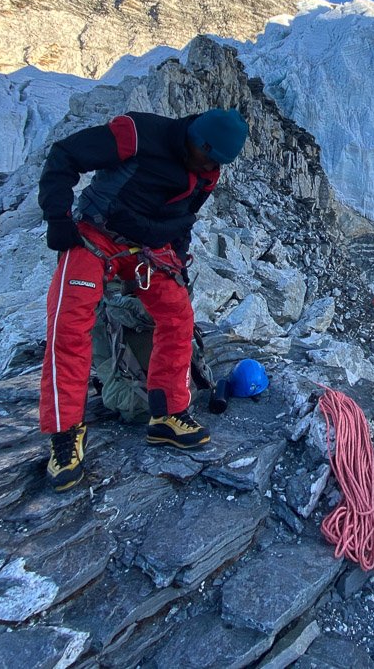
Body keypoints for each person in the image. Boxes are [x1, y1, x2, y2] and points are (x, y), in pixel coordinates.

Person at [37, 106, 248, 491]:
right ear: (197, 141)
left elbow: (184, 216)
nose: (210, 169)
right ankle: (64, 434)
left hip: (148, 248)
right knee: (69, 324)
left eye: (218, 164)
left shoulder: (207, 171)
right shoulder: (137, 133)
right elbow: (65, 154)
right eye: (209, 158)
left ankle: (167, 414)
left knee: (178, 317)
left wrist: (179, 262)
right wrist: (57, 218)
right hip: (95, 235)